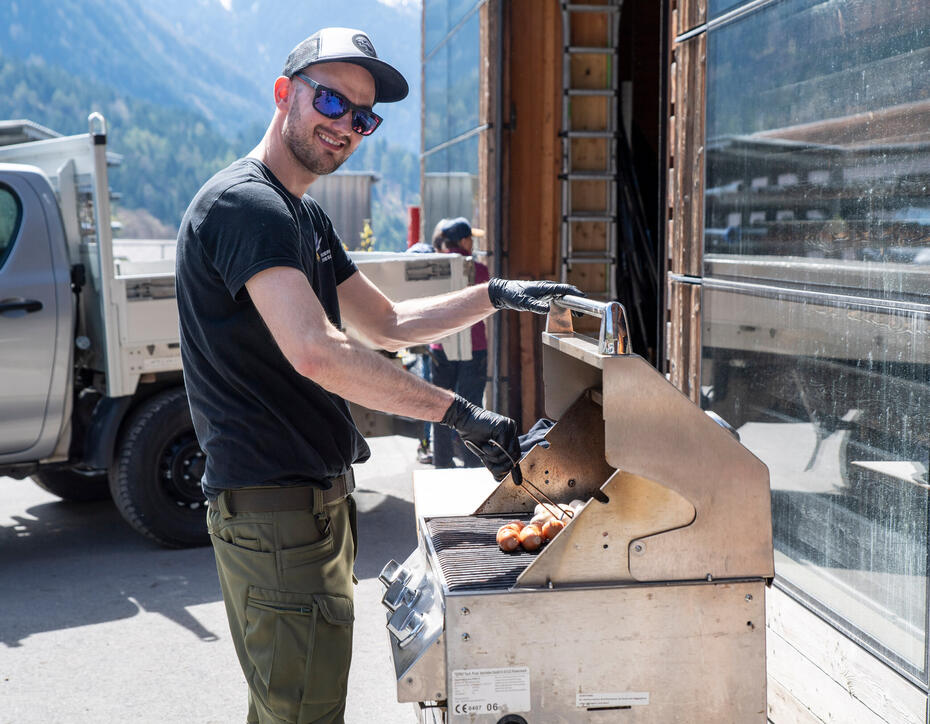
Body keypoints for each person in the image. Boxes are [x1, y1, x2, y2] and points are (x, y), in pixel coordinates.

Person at [175, 27, 579, 724]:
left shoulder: (302, 214)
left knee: (294, 706)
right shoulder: (247, 205)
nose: (345, 125)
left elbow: (387, 324)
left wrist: (493, 294)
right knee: (302, 714)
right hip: (276, 509)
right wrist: (458, 413)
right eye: (331, 101)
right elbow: (318, 351)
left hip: (311, 507)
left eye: (363, 117)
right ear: (284, 93)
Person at [429, 216, 490, 468]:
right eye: (470, 239)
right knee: (471, 407)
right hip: (473, 348)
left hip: (440, 346)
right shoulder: (480, 270)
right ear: (464, 241)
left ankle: (442, 462)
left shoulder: (434, 269)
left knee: (439, 406)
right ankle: (472, 463)